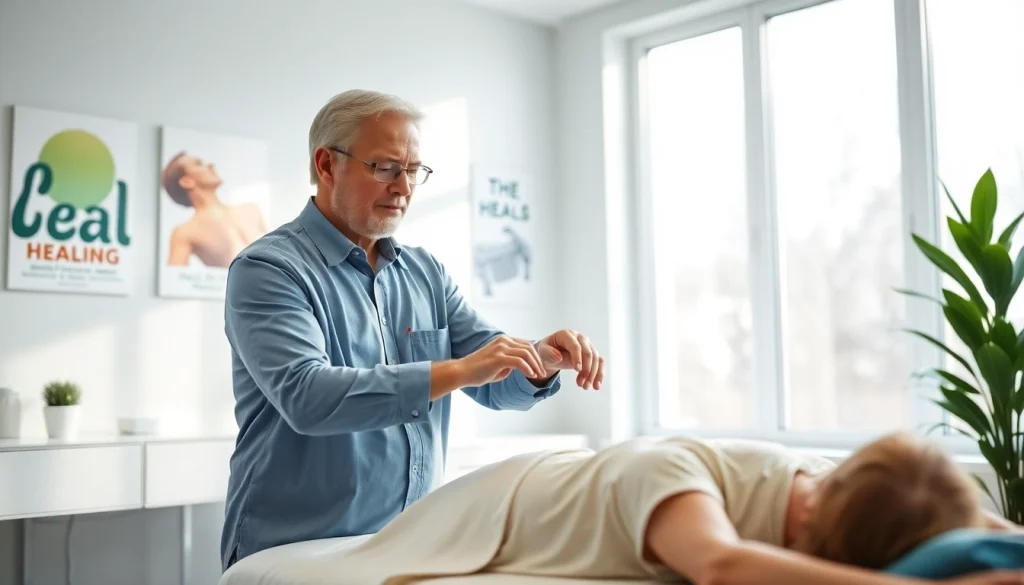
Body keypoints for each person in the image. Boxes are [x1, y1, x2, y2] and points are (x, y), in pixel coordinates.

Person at [219, 89, 604, 570]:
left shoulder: (426, 273)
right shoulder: (269, 269)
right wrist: (459, 370)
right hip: (292, 549)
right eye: (385, 168)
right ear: (327, 164)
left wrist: (539, 361)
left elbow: (491, 378)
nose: (403, 187)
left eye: (414, 170)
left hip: (405, 545)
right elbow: (308, 396)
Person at [300, 431, 1021, 585]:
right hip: (499, 507)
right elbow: (717, 565)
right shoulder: (675, 474)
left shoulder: (847, 484)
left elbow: (946, 509)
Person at [161, 151, 267, 267]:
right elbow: (175, 275)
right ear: (187, 182)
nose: (210, 164)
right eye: (199, 163)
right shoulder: (185, 232)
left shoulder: (250, 210)